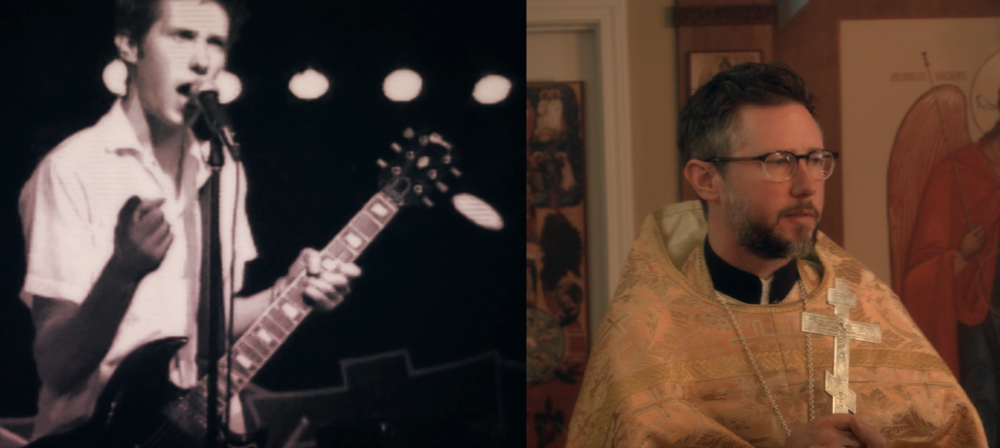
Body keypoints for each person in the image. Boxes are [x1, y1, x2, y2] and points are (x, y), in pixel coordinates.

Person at [565, 62, 987, 447]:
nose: (807, 185)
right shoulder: (644, 333)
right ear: (707, 180)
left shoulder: (868, 307)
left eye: (816, 159)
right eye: (778, 161)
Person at [19, 0, 359, 440]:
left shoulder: (221, 167)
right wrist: (123, 272)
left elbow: (205, 321)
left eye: (215, 42)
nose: (202, 60)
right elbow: (57, 364)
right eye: (182, 36)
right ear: (129, 44)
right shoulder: (72, 168)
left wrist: (289, 291)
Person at [902, 87, 1000, 446]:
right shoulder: (955, 173)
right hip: (975, 319)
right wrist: (960, 254)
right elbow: (919, 270)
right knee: (984, 401)